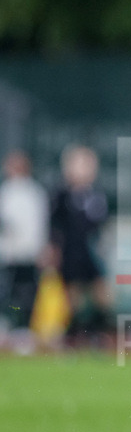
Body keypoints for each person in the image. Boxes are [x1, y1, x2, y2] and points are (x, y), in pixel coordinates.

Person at [49, 144, 112, 346]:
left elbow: (100, 225)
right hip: (70, 250)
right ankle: (73, 334)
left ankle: (96, 332)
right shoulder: (62, 195)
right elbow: (54, 225)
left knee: (101, 293)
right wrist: (53, 249)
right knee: (73, 295)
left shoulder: (96, 195)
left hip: (90, 251)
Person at [0, 150, 49, 352]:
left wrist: (41, 250)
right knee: (8, 294)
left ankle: (23, 330)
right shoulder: (6, 191)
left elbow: (39, 224)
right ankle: (8, 327)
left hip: (29, 254)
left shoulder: (34, 192)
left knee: (27, 294)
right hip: (8, 255)